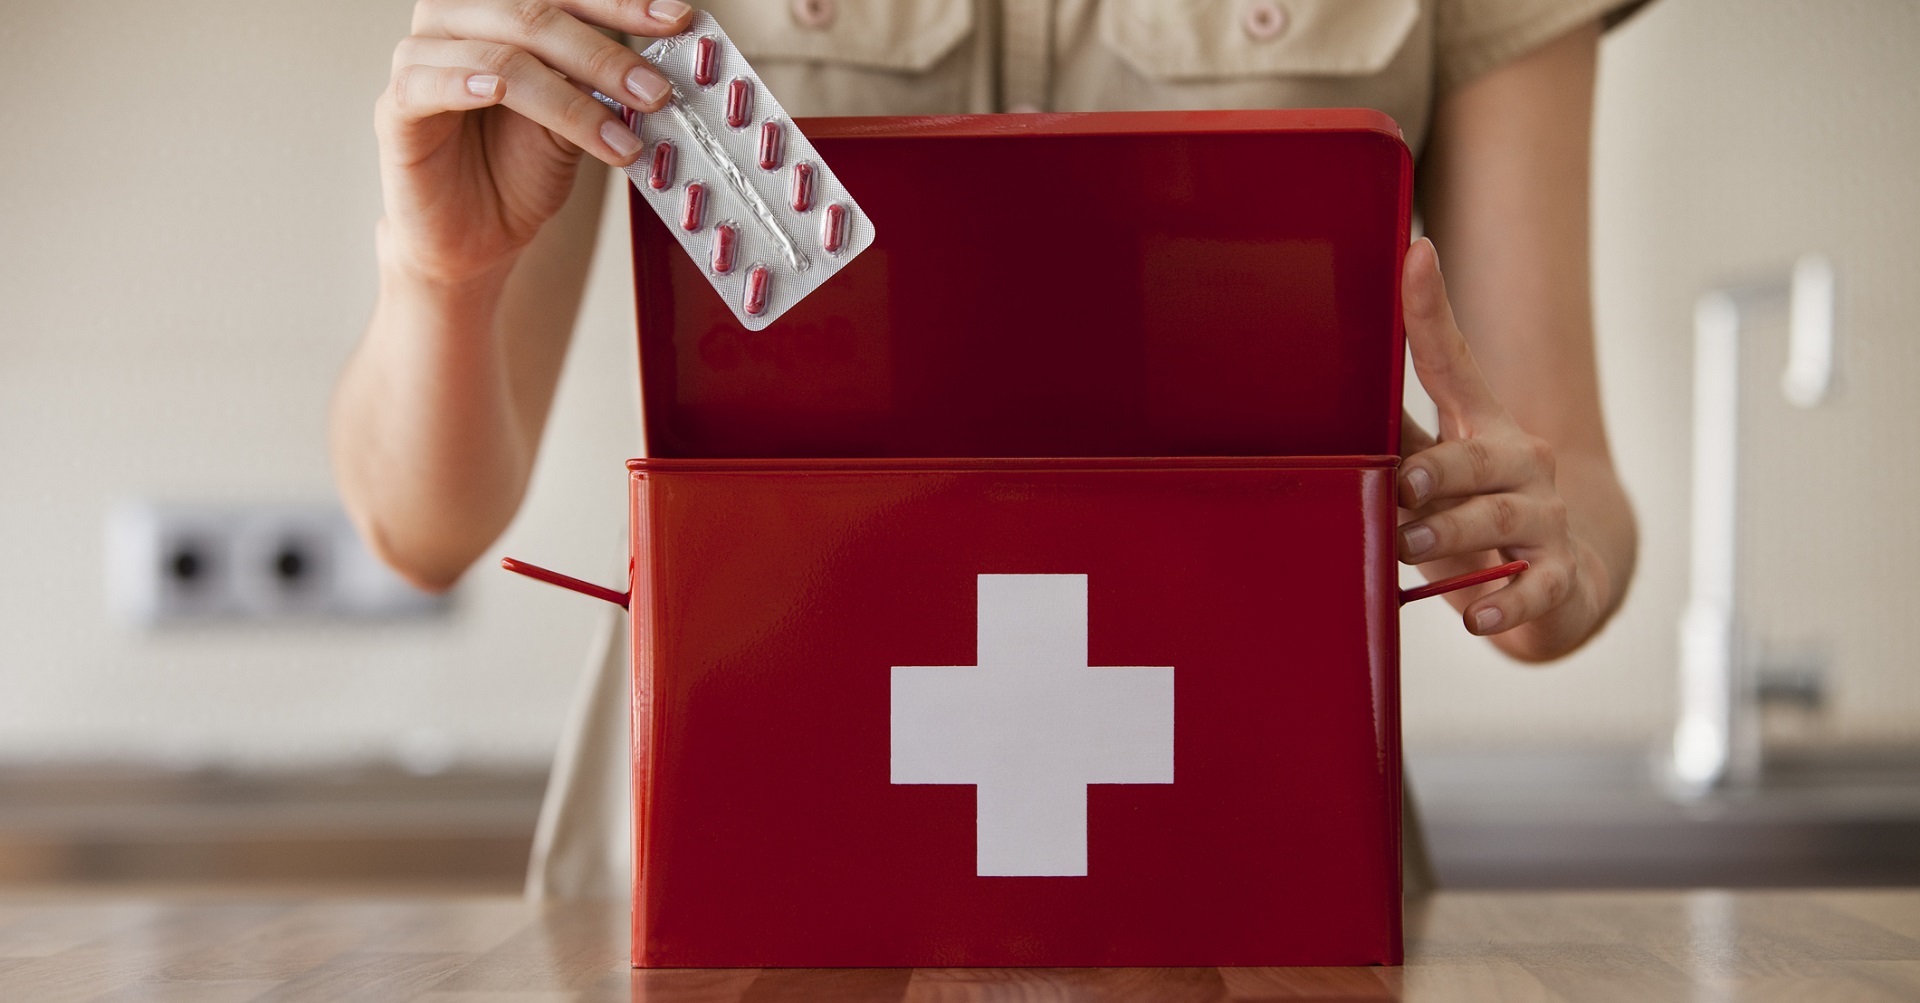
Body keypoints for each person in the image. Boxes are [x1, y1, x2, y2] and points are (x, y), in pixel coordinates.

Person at [334, 0, 1646, 899]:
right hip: (753, 844)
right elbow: (426, 526)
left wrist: (1543, 555)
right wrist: (438, 274)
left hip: (1244, 848)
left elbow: (1555, 487)